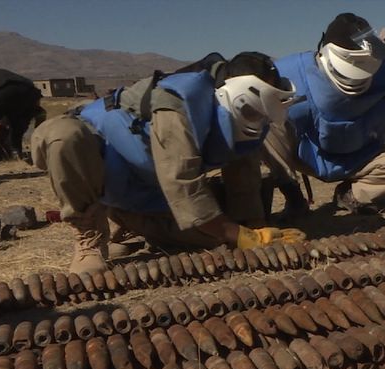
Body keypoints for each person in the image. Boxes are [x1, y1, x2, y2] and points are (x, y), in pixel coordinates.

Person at [30, 52, 305, 274]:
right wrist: (242, 236)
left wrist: (253, 227)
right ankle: (90, 236)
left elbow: (243, 171)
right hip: (103, 169)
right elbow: (182, 183)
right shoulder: (178, 105)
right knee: (64, 137)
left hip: (147, 188)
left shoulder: (249, 116)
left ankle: (129, 219)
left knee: (216, 238)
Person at [261, 13, 385, 216]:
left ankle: (351, 194)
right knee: (268, 127)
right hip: (310, 156)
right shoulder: (291, 80)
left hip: (362, 156)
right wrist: (289, 188)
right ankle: (294, 197)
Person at [0, 67, 46, 159]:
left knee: (10, 125)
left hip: (2, 95)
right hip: (30, 93)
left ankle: (10, 151)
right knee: (17, 126)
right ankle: (16, 151)